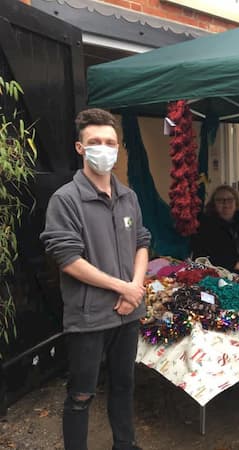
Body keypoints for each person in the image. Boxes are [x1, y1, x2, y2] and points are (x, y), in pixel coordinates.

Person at [40, 108, 151, 450]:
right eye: (95, 142)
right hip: (89, 318)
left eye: (110, 142)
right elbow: (68, 259)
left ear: (119, 147)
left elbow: (142, 243)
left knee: (123, 386)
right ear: (80, 147)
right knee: (82, 394)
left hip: (127, 314)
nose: (104, 148)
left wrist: (136, 287)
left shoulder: (128, 196)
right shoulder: (66, 200)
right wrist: (124, 287)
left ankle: (125, 444)